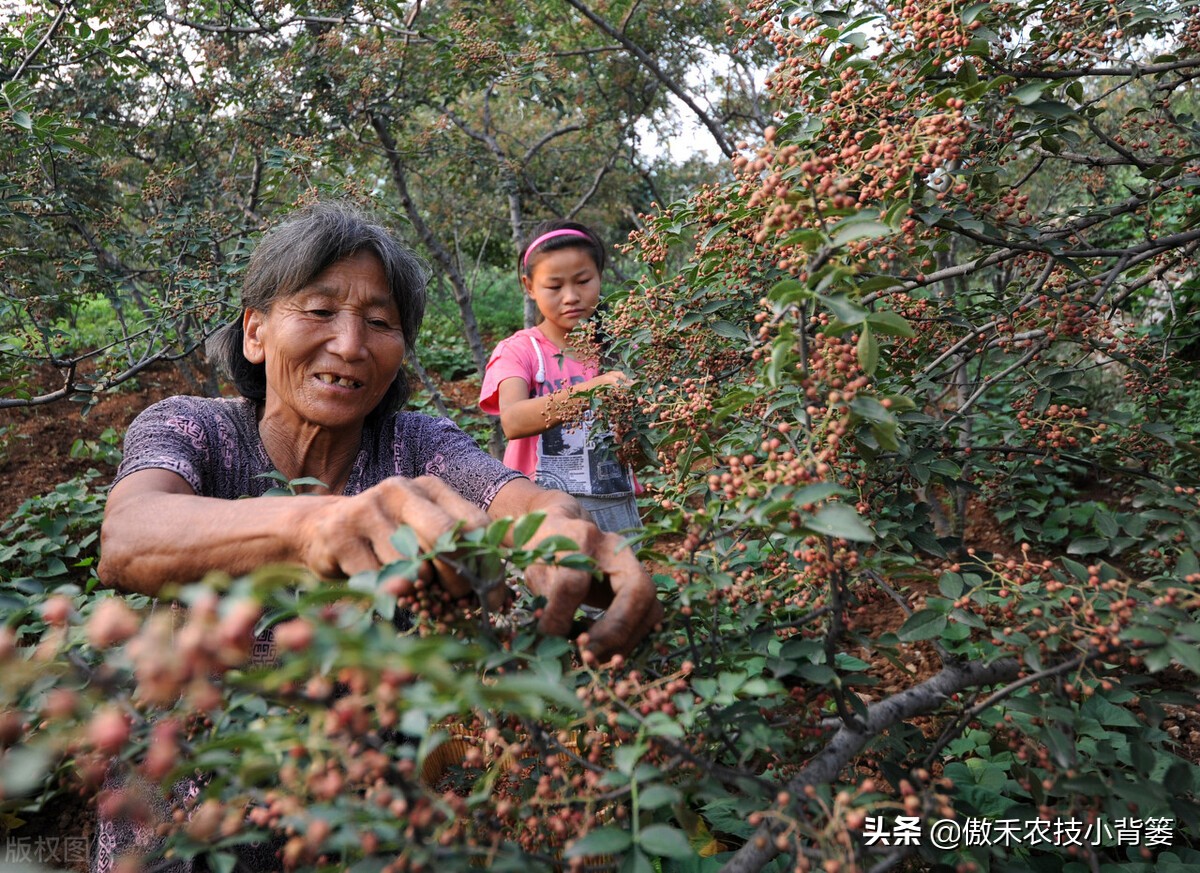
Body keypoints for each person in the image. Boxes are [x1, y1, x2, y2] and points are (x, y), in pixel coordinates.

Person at [93, 202, 662, 873]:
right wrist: (313, 524)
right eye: (319, 309)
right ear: (255, 331)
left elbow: (516, 499)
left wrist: (565, 532)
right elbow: (129, 534)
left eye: (381, 323)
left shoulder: (416, 445)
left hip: (365, 836)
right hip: (179, 837)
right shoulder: (195, 429)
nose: (350, 344)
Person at [479, 220, 640, 534]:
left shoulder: (622, 350)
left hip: (614, 507)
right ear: (529, 286)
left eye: (583, 281)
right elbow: (513, 420)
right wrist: (592, 390)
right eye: (554, 287)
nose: (570, 297)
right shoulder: (520, 351)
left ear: (600, 277)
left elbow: (640, 450)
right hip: (538, 512)